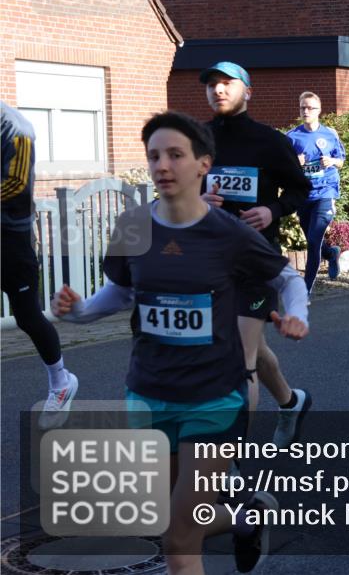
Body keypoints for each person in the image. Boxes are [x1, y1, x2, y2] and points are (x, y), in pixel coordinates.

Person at [52, 111, 309, 575]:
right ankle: (247, 516)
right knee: (171, 520)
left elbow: (288, 277)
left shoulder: (227, 233)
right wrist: (81, 311)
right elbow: (124, 291)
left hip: (212, 396)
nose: (162, 166)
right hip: (148, 393)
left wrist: (296, 315)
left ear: (202, 164)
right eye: (154, 156)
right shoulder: (133, 226)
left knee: (179, 538)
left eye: (175, 154)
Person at [199, 61, 313, 448]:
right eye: (212, 84)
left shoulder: (269, 141)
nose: (218, 90)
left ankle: (227, 461)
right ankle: (290, 401)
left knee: (240, 360)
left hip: (256, 261)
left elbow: (300, 189)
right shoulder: (196, 140)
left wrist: (272, 211)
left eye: (227, 83)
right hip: (209, 261)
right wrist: (197, 200)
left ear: (248, 91)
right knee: (252, 347)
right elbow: (174, 192)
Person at [1, 102, 77, 430]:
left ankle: (61, 382)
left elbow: (15, 185)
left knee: (27, 316)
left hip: (10, 239)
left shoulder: (17, 128)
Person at [286, 92, 346, 294]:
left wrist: (331, 161)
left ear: (319, 111)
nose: (306, 111)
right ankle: (331, 254)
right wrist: (295, 163)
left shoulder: (330, 134)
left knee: (313, 240)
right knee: (313, 239)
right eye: (303, 107)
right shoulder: (292, 137)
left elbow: (341, 161)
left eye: (310, 108)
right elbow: (284, 167)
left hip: (326, 191)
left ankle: (306, 289)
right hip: (304, 195)